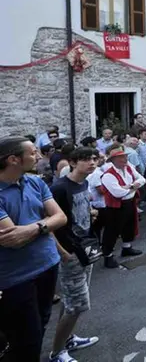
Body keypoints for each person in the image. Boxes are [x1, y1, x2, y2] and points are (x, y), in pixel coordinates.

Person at [0, 136, 68, 361]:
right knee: (26, 338)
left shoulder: (35, 182)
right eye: (32, 153)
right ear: (13, 159)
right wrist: (45, 225)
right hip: (16, 278)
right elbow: (13, 239)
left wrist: (35, 229)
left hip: (47, 265)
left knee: (41, 324)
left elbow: (61, 217)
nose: (38, 156)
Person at [49, 147, 101, 362]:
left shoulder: (84, 183)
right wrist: (63, 253)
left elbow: (76, 211)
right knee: (77, 305)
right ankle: (57, 352)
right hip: (70, 252)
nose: (92, 162)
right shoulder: (60, 188)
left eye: (94, 158)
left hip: (86, 247)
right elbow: (51, 223)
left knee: (71, 303)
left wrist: (89, 213)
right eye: (85, 159)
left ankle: (68, 340)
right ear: (72, 162)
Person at [99, 145, 145, 268]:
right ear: (113, 160)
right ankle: (107, 256)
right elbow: (118, 193)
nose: (125, 160)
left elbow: (142, 179)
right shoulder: (108, 175)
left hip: (129, 202)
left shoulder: (129, 167)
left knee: (130, 226)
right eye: (121, 158)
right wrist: (134, 187)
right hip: (116, 207)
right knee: (112, 231)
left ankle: (127, 248)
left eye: (125, 157)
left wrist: (129, 187)